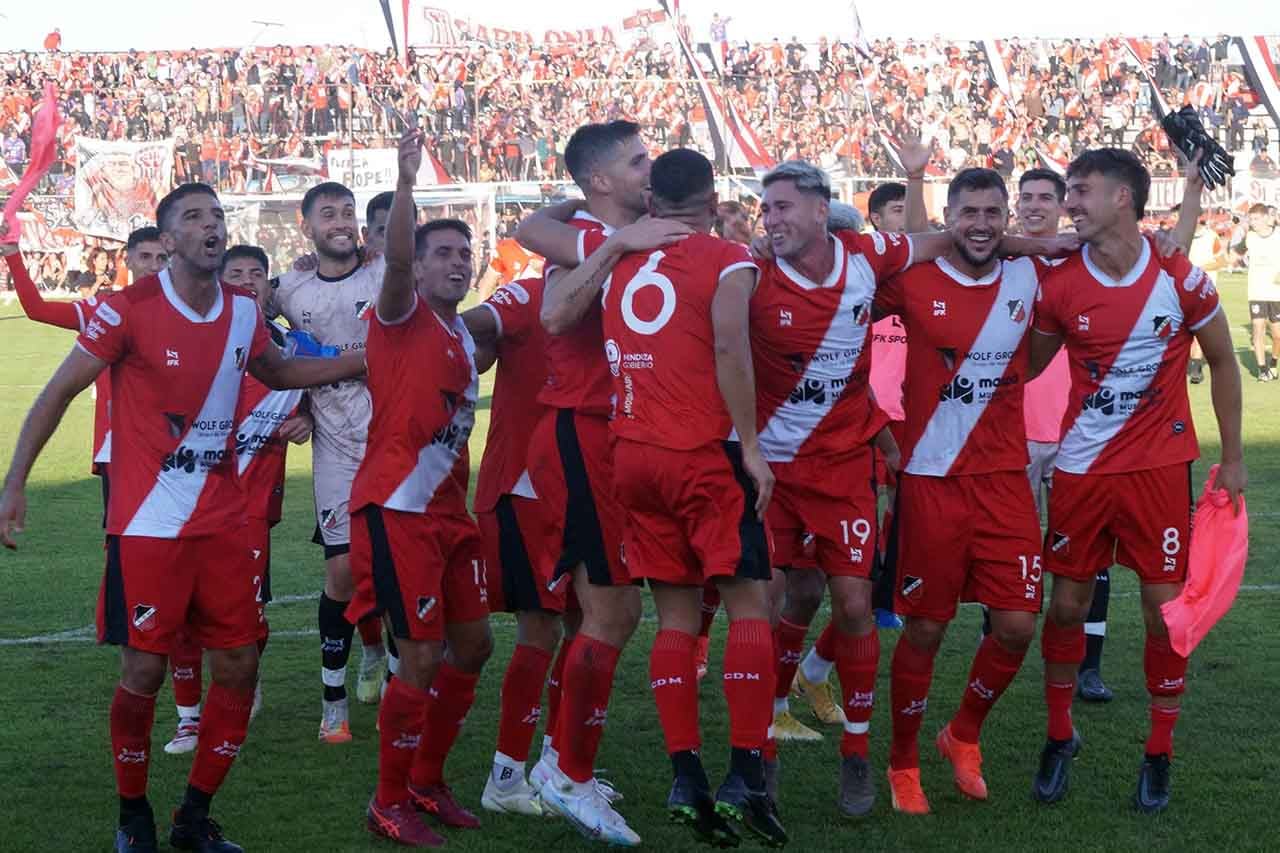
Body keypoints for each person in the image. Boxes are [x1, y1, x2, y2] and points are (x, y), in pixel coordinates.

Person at [0, 182, 366, 853]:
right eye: (194, 217)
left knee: (239, 668)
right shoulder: (126, 309)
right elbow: (58, 392)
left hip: (225, 527)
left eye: (218, 215)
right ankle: (132, 813)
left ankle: (193, 817)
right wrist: (13, 482)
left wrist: (362, 361)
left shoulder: (241, 312)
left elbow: (277, 370)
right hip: (149, 528)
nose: (212, 225)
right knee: (143, 672)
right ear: (166, 240)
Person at [1029, 148, 1245, 814]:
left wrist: (1233, 458)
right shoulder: (1060, 284)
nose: (1069, 202)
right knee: (1065, 607)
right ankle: (1060, 735)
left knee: (1163, 612)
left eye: (1080, 190)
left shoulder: (1180, 277)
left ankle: (1159, 750)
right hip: (1082, 471)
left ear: (1122, 197)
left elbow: (1225, 363)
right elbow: (1029, 365)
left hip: (1158, 471)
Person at [509, 120, 689, 846]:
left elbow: (532, 221)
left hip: (620, 436)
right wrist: (615, 243)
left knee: (596, 614)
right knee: (613, 614)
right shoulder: (589, 233)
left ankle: (560, 756)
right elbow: (553, 311)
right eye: (639, 161)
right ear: (602, 181)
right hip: (581, 432)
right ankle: (567, 773)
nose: (652, 170)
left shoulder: (631, 225)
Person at [602, 148, 785, 846]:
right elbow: (731, 348)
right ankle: (744, 770)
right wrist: (750, 444)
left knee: (675, 616)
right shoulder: (726, 258)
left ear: (653, 202)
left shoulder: (622, 257)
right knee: (748, 603)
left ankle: (685, 771)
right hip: (700, 453)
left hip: (634, 456)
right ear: (711, 199)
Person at [875, 167, 1048, 815]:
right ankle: (902, 762)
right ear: (948, 215)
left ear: (1007, 217)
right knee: (925, 627)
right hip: (931, 483)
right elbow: (842, 326)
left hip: (1004, 481)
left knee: (1015, 625)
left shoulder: (1030, 277)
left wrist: (1034, 244)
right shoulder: (913, 281)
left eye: (991, 211)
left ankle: (963, 733)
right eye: (968, 210)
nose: (980, 222)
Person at [347, 129, 491, 847]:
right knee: (425, 653)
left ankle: (429, 779)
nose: (457, 262)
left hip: (448, 515)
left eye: (466, 253)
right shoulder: (398, 315)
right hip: (397, 509)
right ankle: (388, 796)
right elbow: (397, 259)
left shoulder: (462, 336)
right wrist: (404, 184)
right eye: (445, 252)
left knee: (474, 643)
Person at [163, 245, 315, 755]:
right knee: (184, 611)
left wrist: (309, 419)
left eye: (258, 273)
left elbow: (336, 386)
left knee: (246, 614)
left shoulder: (298, 349)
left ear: (271, 287)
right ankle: (188, 718)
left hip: (251, 509)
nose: (248, 281)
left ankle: (240, 687)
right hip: (188, 502)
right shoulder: (196, 342)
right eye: (237, 273)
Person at [268, 180, 388, 740]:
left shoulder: (382, 275)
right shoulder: (289, 288)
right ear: (306, 225)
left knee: (395, 566)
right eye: (328, 215)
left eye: (348, 213)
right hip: (336, 449)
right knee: (342, 570)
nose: (340, 222)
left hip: (396, 444)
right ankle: (333, 701)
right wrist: (299, 406)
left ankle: (390, 661)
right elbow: (247, 314)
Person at [461, 251, 564, 817]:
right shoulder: (530, 292)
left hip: (591, 487)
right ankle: (505, 775)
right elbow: (470, 326)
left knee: (593, 625)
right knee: (538, 629)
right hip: (526, 489)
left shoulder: (620, 289)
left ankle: (560, 765)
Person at [2, 226, 169, 504]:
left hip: (180, 446)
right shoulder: (108, 309)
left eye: (162, 258)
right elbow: (37, 309)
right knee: (121, 542)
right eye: (145, 257)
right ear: (127, 260)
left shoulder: (191, 310)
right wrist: (13, 255)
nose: (154, 266)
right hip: (121, 448)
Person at [1244, 203, 1280, 381]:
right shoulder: (1249, 237)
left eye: (1256, 219)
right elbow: (1234, 255)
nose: (1253, 222)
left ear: (1267, 218)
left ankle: (1273, 362)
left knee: (1277, 336)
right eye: (1251, 219)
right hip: (1256, 292)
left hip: (1276, 294)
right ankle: (1262, 369)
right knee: (1258, 330)